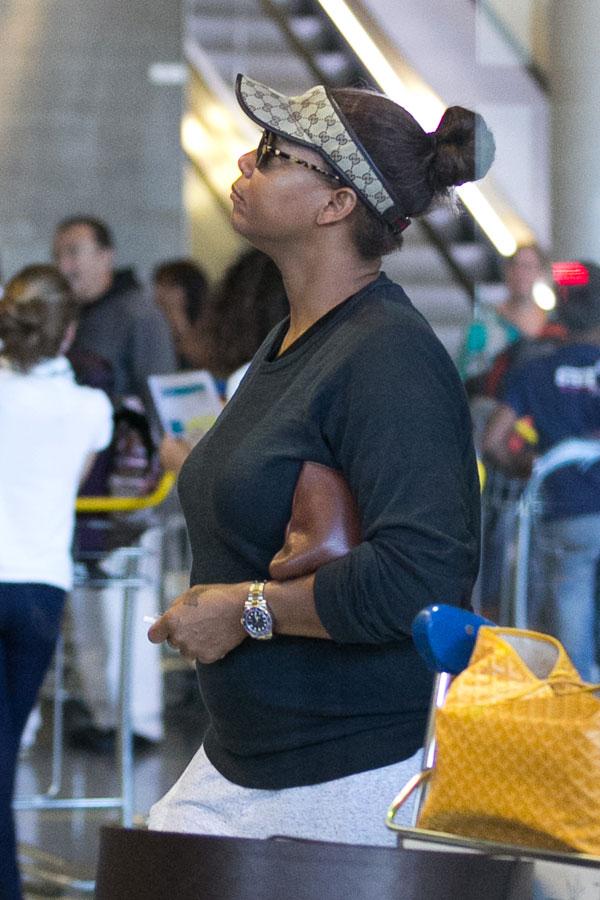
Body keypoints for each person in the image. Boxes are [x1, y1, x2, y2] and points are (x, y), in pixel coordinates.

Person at [147, 74, 495, 846]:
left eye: (273, 153)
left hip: (342, 776)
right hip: (246, 761)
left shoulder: (388, 357)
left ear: (337, 204)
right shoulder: (292, 341)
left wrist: (246, 610)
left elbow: (422, 578)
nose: (244, 161)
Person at [0, 265, 113, 900]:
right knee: (8, 743)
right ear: (68, 334)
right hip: (41, 590)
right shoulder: (89, 407)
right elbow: (72, 480)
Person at [53, 216, 178, 753]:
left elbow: (159, 398)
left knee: (126, 608)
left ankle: (138, 720)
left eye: (77, 252)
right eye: (61, 255)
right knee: (88, 607)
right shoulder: (72, 318)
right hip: (82, 489)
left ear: (107, 255)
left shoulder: (138, 314)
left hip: (129, 487)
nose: (68, 265)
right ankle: (106, 714)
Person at [483, 261, 600, 681]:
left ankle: (584, 717)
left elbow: (494, 441)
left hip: (566, 510)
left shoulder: (533, 370)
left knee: (571, 602)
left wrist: (525, 467)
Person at [152, 259, 209, 370]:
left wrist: (177, 316)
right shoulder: (154, 321)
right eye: (159, 285)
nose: (159, 292)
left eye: (169, 285)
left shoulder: (208, 324)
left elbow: (200, 357)